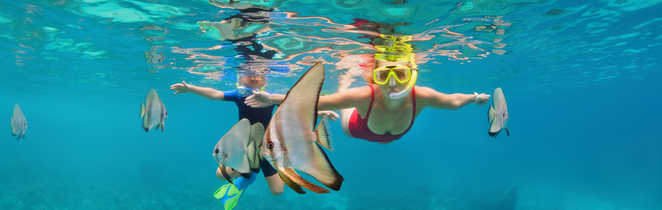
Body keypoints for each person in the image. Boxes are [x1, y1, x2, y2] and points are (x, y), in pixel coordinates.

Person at [245, 33, 491, 144]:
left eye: (400, 74)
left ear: (412, 74)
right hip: (356, 128)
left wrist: (474, 97)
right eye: (384, 75)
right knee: (343, 102)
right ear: (374, 77)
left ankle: (345, 87)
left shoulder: (422, 96)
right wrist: (273, 98)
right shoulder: (366, 95)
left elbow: (453, 101)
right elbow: (314, 101)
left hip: (390, 136)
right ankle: (344, 81)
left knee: (344, 100)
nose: (393, 82)